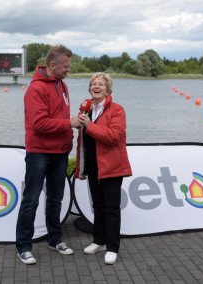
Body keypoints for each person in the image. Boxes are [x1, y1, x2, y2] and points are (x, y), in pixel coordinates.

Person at [16, 44, 81, 265]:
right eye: (65, 66)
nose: (68, 69)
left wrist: (72, 127)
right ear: (52, 65)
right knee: (31, 200)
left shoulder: (62, 85)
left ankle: (55, 240)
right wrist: (68, 123)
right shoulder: (36, 89)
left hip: (61, 152)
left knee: (56, 199)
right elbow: (38, 124)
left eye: (68, 66)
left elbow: (57, 117)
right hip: (39, 153)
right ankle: (23, 246)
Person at [74, 72, 132, 264]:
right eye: (93, 84)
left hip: (112, 166)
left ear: (108, 89)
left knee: (112, 208)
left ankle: (112, 247)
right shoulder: (87, 109)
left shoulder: (117, 110)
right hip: (93, 166)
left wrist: (89, 126)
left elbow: (114, 136)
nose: (96, 86)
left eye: (100, 84)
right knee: (97, 205)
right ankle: (98, 240)